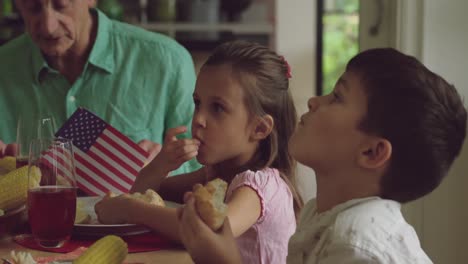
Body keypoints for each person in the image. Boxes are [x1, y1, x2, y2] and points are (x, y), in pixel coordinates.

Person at [176, 48, 468, 263]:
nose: (315, 101)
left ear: (371, 152)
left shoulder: (356, 247)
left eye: (337, 97)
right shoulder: (320, 214)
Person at [95, 40, 304, 263]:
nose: (199, 119)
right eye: (197, 103)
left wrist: (130, 209)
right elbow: (144, 192)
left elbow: (203, 232)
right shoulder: (215, 176)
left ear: (259, 128)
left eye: (218, 108)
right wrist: (160, 165)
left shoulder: (262, 187)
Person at [0, 0, 199, 175]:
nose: (48, 27)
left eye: (62, 5)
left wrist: (162, 169)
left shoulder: (169, 61)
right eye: (33, 7)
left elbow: (200, 171)